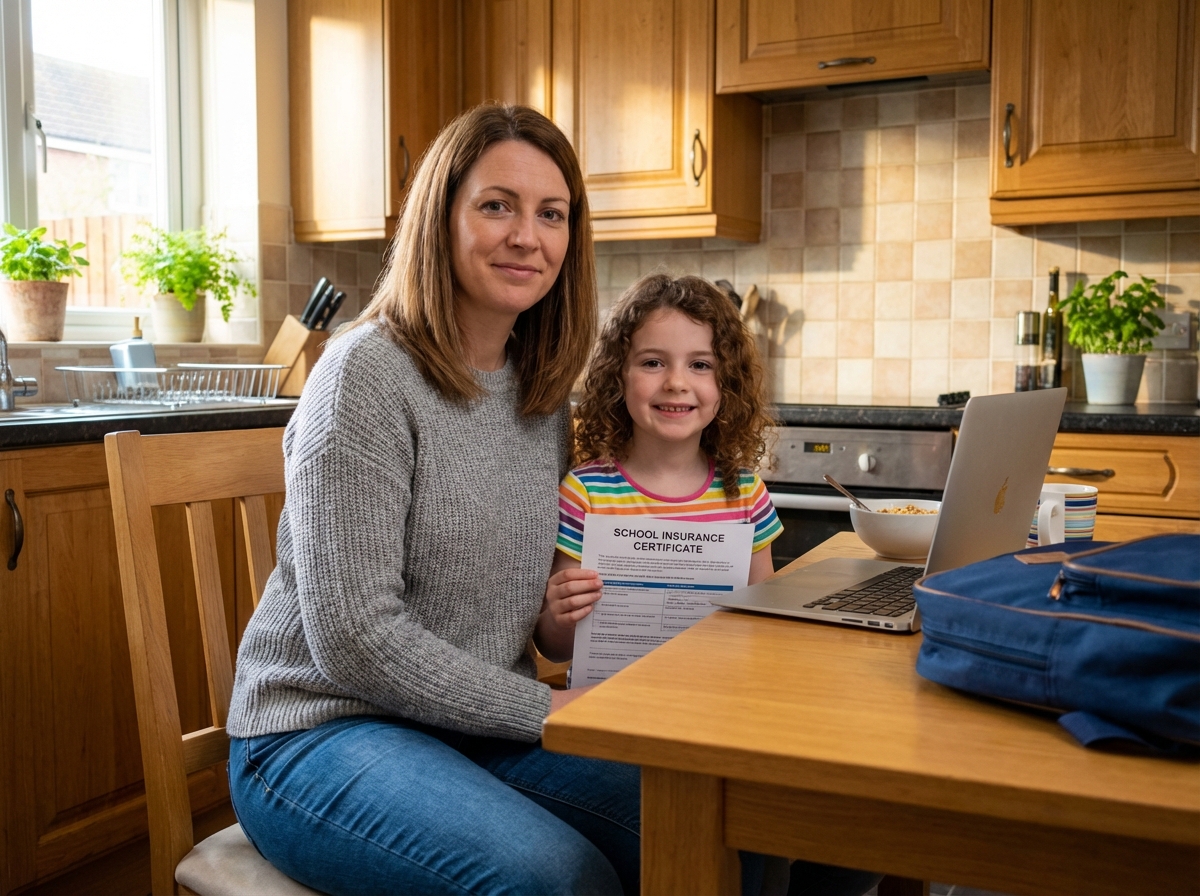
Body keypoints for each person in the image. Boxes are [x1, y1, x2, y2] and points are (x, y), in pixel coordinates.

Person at [225, 104, 640, 895]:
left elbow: (532, 616)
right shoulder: (364, 376)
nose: (528, 236)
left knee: (720, 817)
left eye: (551, 214)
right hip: (318, 731)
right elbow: (356, 638)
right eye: (497, 206)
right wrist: (548, 714)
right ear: (439, 220)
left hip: (467, 726)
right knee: (557, 880)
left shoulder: (541, 391)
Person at [540, 273, 884, 896]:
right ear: (619, 378)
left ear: (725, 386)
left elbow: (767, 623)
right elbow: (558, 648)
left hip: (717, 719)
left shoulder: (743, 491)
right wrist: (559, 613)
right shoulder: (585, 491)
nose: (677, 382)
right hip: (614, 719)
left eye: (700, 364)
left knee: (817, 826)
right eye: (653, 362)